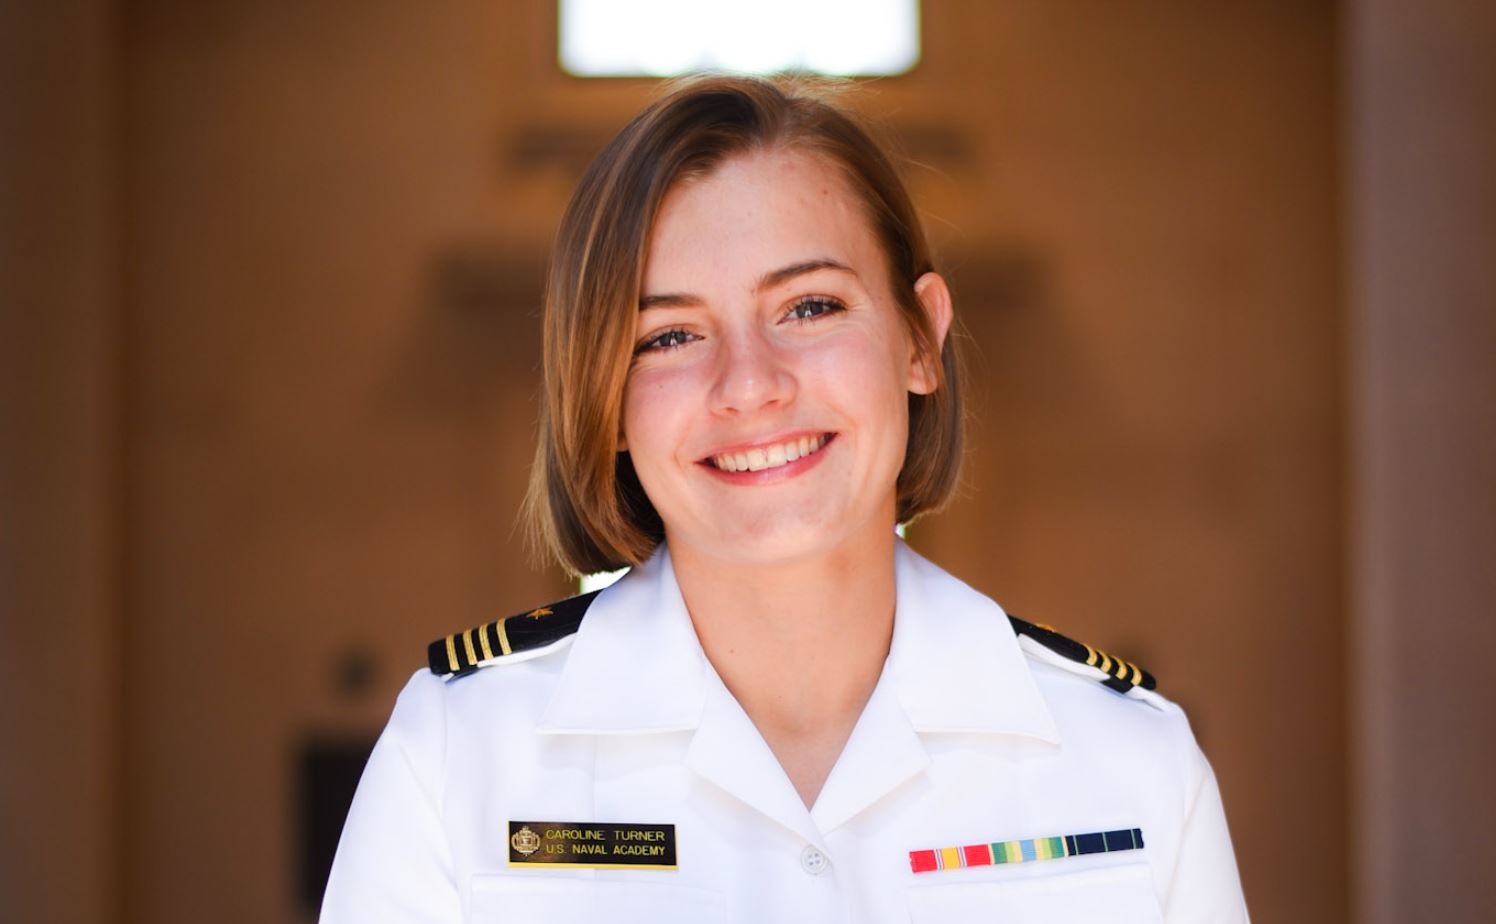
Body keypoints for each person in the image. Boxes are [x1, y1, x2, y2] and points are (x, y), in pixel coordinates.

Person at [320, 74, 1249, 923]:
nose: (750, 384)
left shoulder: (1131, 762)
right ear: (599, 399)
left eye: (809, 307)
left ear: (921, 338)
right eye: (670, 336)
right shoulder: (456, 756)